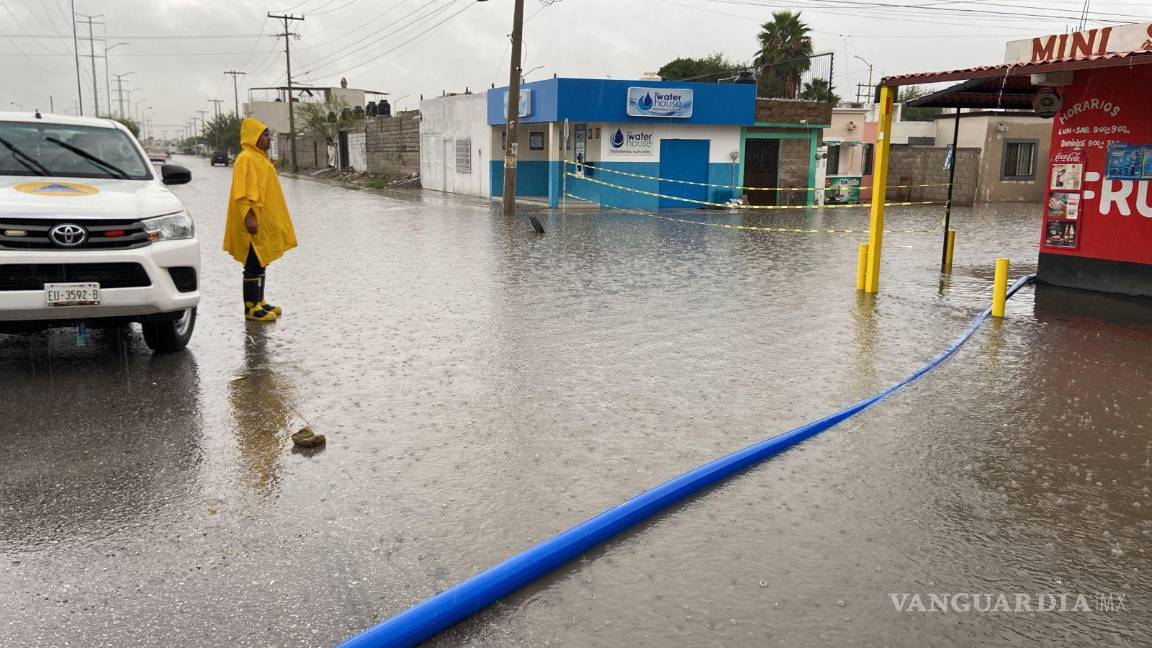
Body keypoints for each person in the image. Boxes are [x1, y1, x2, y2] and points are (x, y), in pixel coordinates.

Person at [223, 117, 297, 322]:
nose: (268, 138)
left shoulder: (260, 158)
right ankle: (250, 308)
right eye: (265, 135)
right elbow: (242, 193)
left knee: (261, 261)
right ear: (253, 137)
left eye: (268, 134)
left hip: (262, 221)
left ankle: (260, 300)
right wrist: (249, 218)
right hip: (251, 221)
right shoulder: (245, 159)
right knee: (253, 264)